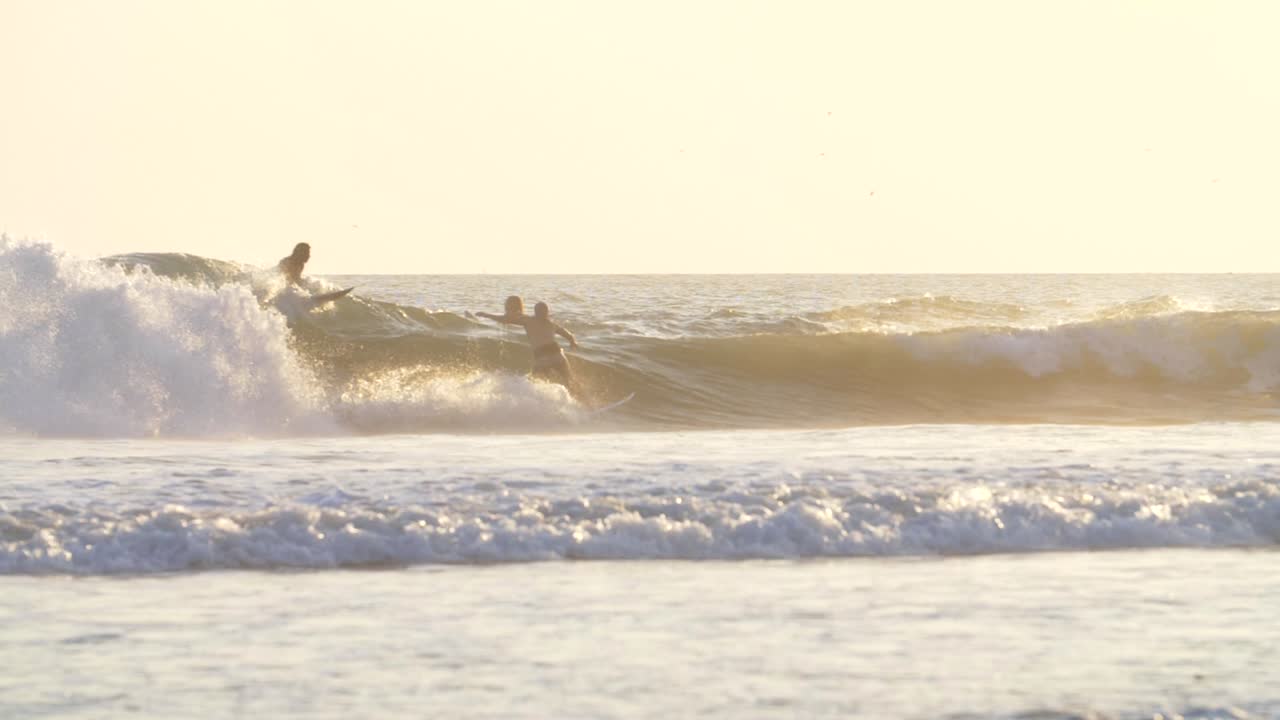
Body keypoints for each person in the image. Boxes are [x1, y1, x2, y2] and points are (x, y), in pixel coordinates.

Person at [477, 296, 580, 394]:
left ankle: (532, 403)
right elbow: (568, 334)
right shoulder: (552, 324)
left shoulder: (529, 320)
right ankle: (582, 401)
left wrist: (487, 315)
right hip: (558, 356)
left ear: (535, 312)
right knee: (569, 381)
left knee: (533, 383)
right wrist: (573, 342)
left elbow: (505, 320)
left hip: (542, 358)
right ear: (547, 312)